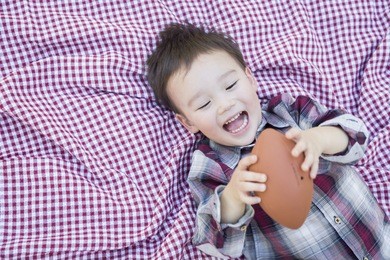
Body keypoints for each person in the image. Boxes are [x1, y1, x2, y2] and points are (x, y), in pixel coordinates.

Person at [147, 23, 389, 259]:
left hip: (379, 238)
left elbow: (356, 136)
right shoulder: (211, 165)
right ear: (188, 122)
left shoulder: (289, 112)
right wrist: (233, 198)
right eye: (204, 104)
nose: (225, 105)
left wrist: (319, 139)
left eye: (231, 85)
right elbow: (214, 243)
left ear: (250, 79)